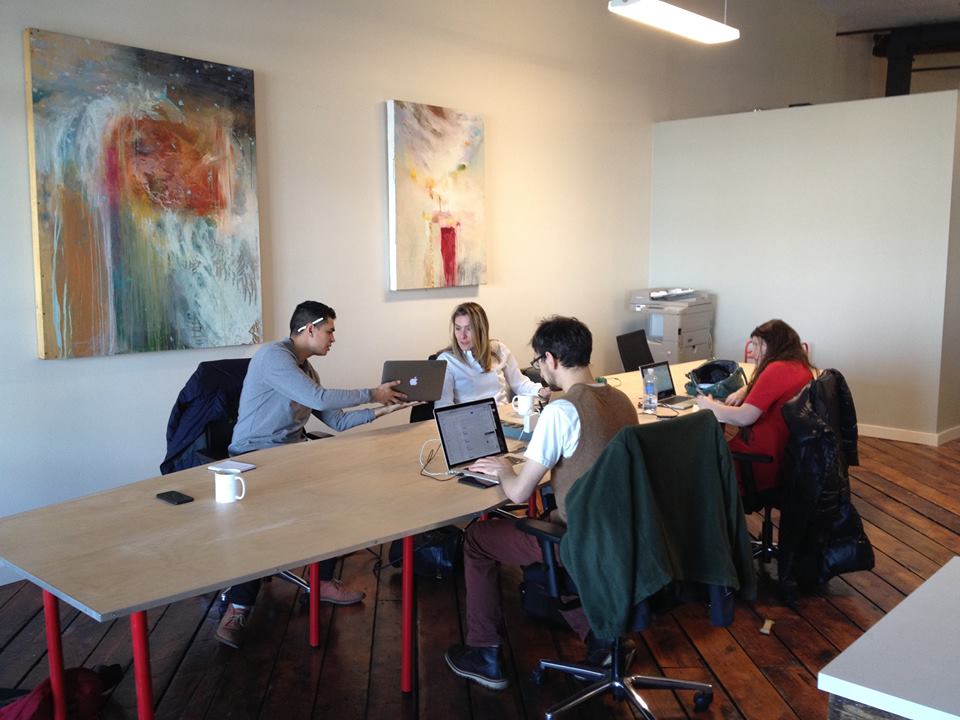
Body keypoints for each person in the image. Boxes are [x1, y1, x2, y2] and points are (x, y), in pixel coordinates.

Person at [443, 316, 638, 691]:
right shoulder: (621, 400)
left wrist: (504, 468)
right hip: (623, 531)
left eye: (539, 360)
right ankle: (601, 640)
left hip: (581, 539)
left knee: (478, 539)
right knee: (545, 523)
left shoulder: (561, 411)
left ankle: (484, 653)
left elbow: (518, 493)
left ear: (551, 359)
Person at [217, 300, 415, 649]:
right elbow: (319, 398)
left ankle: (321, 582)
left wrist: (382, 410)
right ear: (310, 329)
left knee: (333, 501)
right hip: (252, 459)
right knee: (258, 529)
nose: (333, 338)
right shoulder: (273, 357)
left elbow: (335, 420)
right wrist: (372, 392)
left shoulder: (307, 370)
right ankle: (238, 605)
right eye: (330, 331)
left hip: (290, 458)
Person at [694, 319, 815, 494]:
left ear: (773, 344)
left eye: (758, 345)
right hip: (786, 456)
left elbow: (744, 417)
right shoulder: (799, 365)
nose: (753, 352)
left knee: (698, 458)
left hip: (759, 460)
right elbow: (772, 388)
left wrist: (709, 405)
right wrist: (746, 389)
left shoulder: (776, 369)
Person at [435, 302, 550, 408]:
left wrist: (540, 391)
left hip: (503, 416)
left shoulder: (498, 349)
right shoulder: (446, 361)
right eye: (458, 328)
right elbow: (443, 406)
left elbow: (519, 383)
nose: (462, 336)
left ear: (481, 330)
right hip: (470, 419)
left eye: (469, 329)